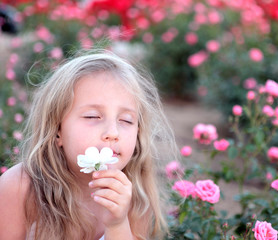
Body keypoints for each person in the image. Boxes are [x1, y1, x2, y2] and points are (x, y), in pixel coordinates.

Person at [0, 50, 178, 239]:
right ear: (57, 129)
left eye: (126, 120)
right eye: (92, 116)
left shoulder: (135, 196)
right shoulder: (20, 187)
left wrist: (117, 224)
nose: (112, 133)